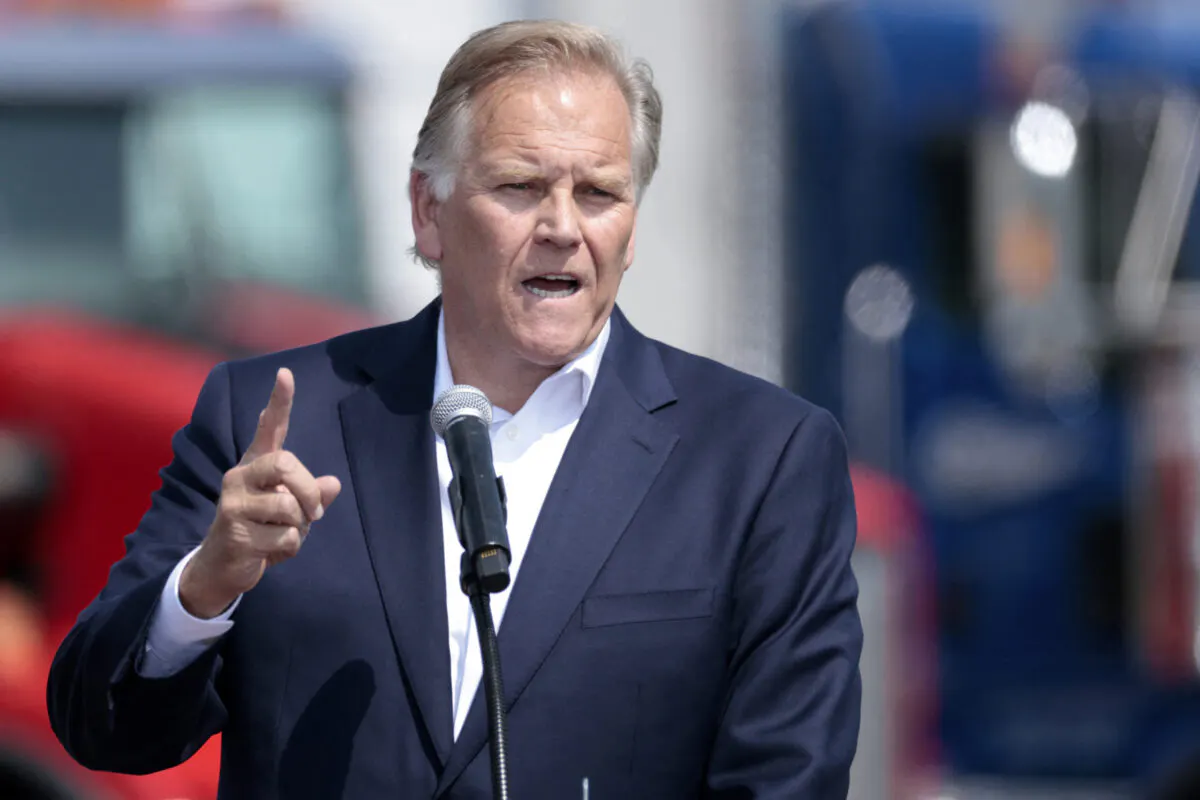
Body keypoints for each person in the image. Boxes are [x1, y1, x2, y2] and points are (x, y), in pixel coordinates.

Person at [47, 19, 862, 799]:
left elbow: (786, 777)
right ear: (429, 210)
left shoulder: (761, 459)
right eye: (521, 187)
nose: (562, 227)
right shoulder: (270, 423)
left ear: (632, 226)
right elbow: (100, 726)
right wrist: (204, 588)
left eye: (599, 193)